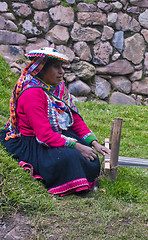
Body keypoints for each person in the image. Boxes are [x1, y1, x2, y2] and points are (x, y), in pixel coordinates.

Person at [0, 47, 110, 196]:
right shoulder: (31, 94)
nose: (62, 72)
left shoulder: (56, 89)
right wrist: (76, 146)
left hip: (53, 135)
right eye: (56, 67)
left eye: (62, 67)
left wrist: (94, 143)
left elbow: (75, 120)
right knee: (73, 157)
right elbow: (44, 135)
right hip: (35, 142)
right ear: (41, 69)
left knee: (88, 153)